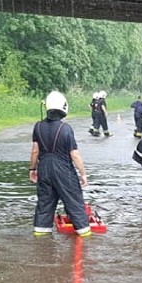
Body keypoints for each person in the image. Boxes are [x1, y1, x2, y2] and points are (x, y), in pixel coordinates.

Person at [29, 91, 91, 238]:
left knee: (44, 204)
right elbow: (74, 155)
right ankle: (86, 238)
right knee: (75, 203)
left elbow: (35, 151)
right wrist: (83, 174)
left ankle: (41, 239)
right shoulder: (66, 128)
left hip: (44, 169)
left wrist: (32, 169)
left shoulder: (37, 126)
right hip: (63, 170)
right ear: (63, 108)